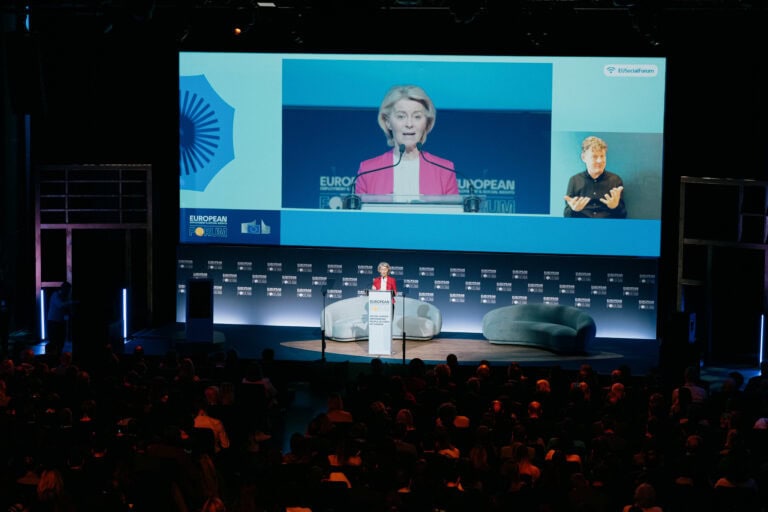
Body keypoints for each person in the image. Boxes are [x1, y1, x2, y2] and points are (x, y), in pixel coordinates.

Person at [355, 84, 459, 196]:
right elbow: (358, 213)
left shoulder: (444, 171)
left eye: (417, 117)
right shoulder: (368, 171)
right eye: (401, 116)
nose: (409, 124)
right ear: (388, 122)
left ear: (426, 123)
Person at [563, 135, 627, 218]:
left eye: (602, 156)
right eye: (594, 156)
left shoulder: (615, 180)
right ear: (583, 157)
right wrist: (574, 209)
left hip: (607, 228)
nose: (599, 160)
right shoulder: (574, 180)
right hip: (582, 227)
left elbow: (623, 215)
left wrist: (615, 207)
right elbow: (566, 215)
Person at [46, 281, 75, 358]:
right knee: (54, 341)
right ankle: (53, 358)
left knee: (61, 342)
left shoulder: (64, 297)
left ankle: (58, 357)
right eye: (68, 290)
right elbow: (60, 305)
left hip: (60, 322)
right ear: (64, 289)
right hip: (53, 322)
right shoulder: (55, 295)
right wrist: (72, 302)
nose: (69, 292)